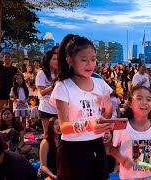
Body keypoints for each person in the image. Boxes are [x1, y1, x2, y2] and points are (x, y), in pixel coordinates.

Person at [50, 34, 113, 180]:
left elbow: (105, 115)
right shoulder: (63, 87)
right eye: (84, 60)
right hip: (73, 150)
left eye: (93, 59)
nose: (90, 64)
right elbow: (64, 126)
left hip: (97, 146)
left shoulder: (100, 85)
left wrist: (107, 115)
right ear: (69, 60)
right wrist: (89, 125)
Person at [111, 86, 151, 180]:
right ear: (130, 103)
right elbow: (113, 149)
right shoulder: (121, 126)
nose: (144, 102)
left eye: (148, 99)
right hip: (128, 176)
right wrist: (122, 159)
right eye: (139, 98)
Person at [0, 52, 19, 126]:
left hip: (12, 91)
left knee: (11, 109)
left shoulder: (14, 69)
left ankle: (11, 125)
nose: (7, 58)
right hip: (1, 90)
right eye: (5, 57)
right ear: (2, 58)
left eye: (9, 57)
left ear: (11, 58)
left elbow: (21, 76)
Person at [36, 50, 58, 137]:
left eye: (58, 59)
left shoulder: (58, 73)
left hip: (58, 106)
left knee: (58, 133)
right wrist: (54, 86)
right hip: (46, 107)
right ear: (48, 60)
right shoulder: (42, 73)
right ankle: (46, 150)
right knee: (47, 133)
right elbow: (42, 92)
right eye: (54, 59)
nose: (57, 61)